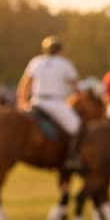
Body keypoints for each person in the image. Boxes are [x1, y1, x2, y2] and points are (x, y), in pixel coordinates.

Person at [18, 36, 81, 173]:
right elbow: (77, 89)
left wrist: (21, 103)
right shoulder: (65, 64)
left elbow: (25, 84)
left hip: (35, 102)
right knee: (77, 126)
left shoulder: (36, 61)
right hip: (55, 103)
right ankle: (72, 158)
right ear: (59, 50)